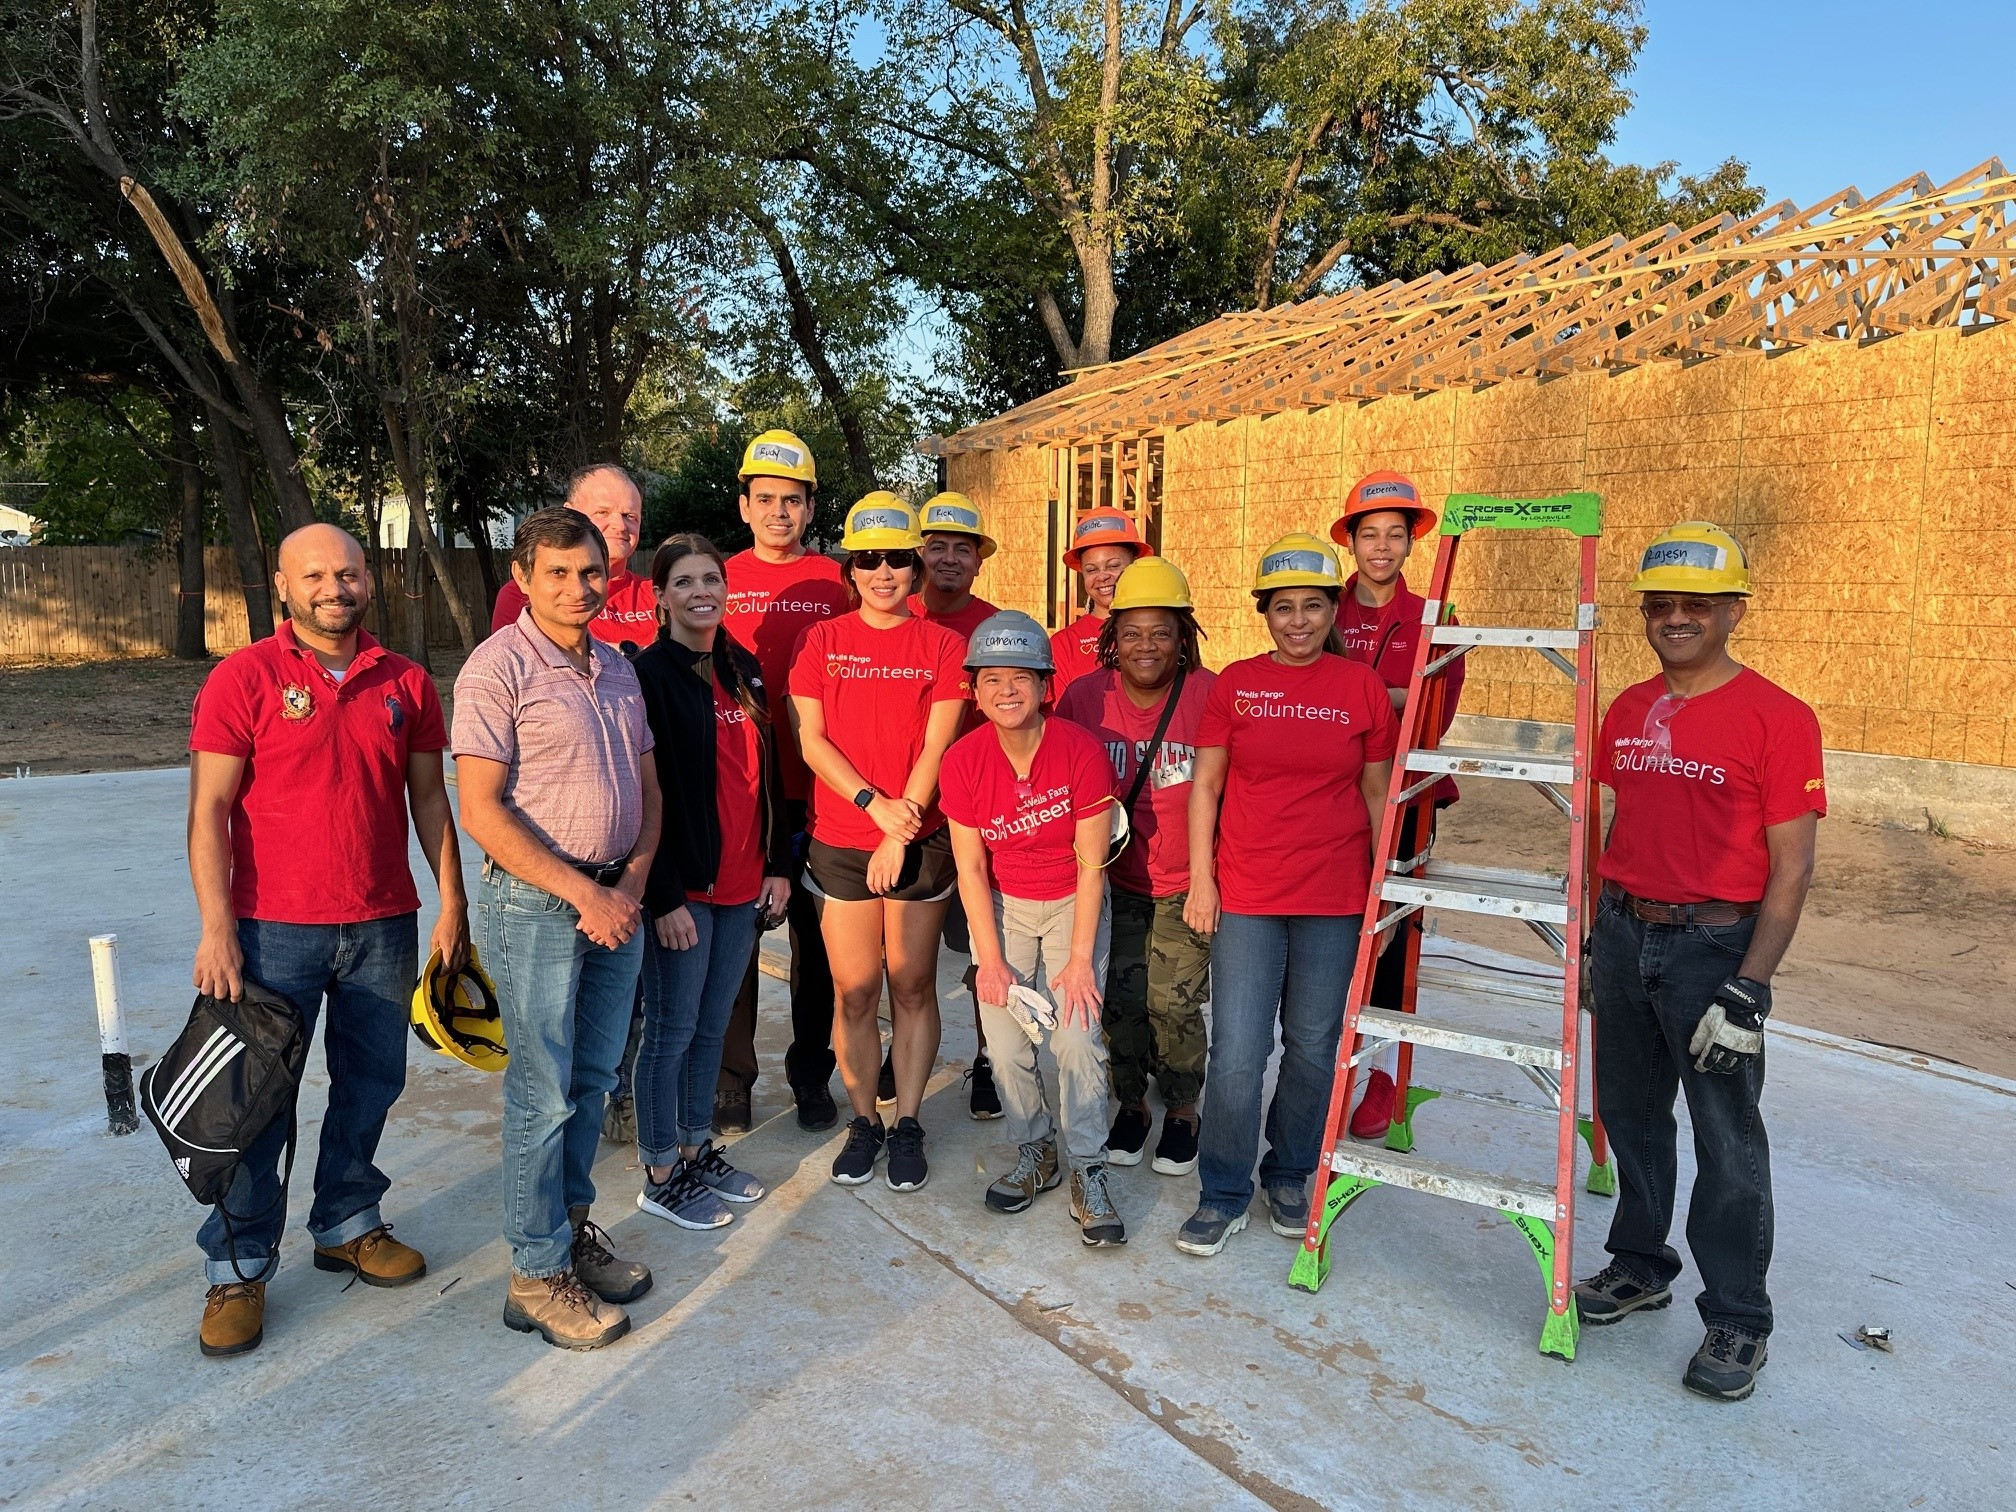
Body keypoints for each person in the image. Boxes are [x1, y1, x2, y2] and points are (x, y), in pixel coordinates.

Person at [186, 523, 466, 1358]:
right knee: (255, 1104)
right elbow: (207, 811)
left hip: (383, 922)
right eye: (315, 575)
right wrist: (216, 928)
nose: (333, 588)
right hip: (271, 931)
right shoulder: (246, 678)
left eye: (347, 573)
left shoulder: (406, 681)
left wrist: (452, 903)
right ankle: (236, 1265)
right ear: (283, 585)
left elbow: (429, 803)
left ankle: (347, 1219)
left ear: (368, 580)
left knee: (371, 1083)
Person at [1573, 522, 1823, 1404]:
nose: (1676, 619)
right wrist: (1602, 932)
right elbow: (1620, 822)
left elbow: (1792, 866)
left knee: (1726, 1137)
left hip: (1714, 944)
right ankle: (1641, 1265)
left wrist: (1750, 987)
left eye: (1697, 606)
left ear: (1732, 612)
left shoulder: (1779, 718)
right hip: (1629, 931)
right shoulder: (1629, 709)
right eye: (1663, 605)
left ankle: (1739, 1319)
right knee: (1633, 1117)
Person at [454, 506, 662, 1351]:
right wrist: (586, 892)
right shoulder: (496, 669)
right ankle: (535, 1272)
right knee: (541, 1090)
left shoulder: (615, 666)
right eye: (559, 574)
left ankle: (570, 1232)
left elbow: (648, 789)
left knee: (592, 1079)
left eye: (591, 572)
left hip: (619, 902)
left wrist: (632, 882)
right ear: (522, 579)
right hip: (539, 905)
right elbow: (481, 812)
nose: (580, 588)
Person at [1176, 535, 1397, 1257]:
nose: (1297, 621)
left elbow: (1375, 794)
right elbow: (1205, 786)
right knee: (1239, 1050)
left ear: (1332, 609)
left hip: (1334, 896)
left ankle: (1291, 1172)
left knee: (1312, 1046)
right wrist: (1202, 881)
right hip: (1247, 891)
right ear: (1264, 614)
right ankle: (1223, 1190)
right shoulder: (1236, 684)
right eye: (1282, 609)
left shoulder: (1359, 686)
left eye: (1311, 606)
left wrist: (1381, 895)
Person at [790, 496, 968, 1191]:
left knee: (914, 985)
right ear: (851, 569)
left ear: (916, 567)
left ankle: (909, 1122)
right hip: (842, 836)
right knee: (856, 992)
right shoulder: (824, 642)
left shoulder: (942, 645)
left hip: (920, 836)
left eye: (899, 558)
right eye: (870, 559)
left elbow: (938, 740)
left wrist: (904, 821)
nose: (885, 571)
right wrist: (873, 809)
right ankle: (864, 1120)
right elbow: (811, 740)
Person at [942, 612, 1127, 1245]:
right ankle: (1035, 1150)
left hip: (1074, 903)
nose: (1006, 692)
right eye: (991, 680)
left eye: (1020, 678)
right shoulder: (964, 761)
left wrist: (1079, 960)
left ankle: (1088, 1166)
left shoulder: (1079, 750)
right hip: (1004, 908)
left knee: (1076, 1036)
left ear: (1046, 685)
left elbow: (1092, 862)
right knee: (1005, 1036)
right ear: (974, 689)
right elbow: (970, 868)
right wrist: (988, 961)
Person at [631, 534, 793, 1229]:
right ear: (661, 596)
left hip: (741, 886)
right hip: (685, 891)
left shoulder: (742, 667)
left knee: (710, 1028)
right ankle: (660, 1168)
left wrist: (780, 863)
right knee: (669, 1030)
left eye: (712, 580)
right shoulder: (649, 676)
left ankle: (698, 1148)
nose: (703, 593)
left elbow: (771, 776)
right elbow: (642, 795)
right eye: (686, 582)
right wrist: (662, 894)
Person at [1057, 557, 1215, 1177]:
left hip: (1183, 882)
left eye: (1160, 632)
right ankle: (1132, 1104)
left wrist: (1211, 879)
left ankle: (1181, 1107)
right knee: (1119, 1000)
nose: (1145, 646)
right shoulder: (1084, 697)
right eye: (1131, 633)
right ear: (1111, 637)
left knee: (1173, 1002)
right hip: (1111, 882)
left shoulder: (1210, 695)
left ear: (1184, 637)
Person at [715, 431, 848, 1134]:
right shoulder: (719, 575)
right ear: (743, 504)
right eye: (764, 499)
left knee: (815, 947)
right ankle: (733, 1078)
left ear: (809, 507)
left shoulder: (836, 581)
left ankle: (810, 1073)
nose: (777, 512)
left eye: (791, 501)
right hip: (736, 792)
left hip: (817, 789)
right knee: (735, 940)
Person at [1327, 471, 1463, 1140]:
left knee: (1393, 937)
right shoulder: (1325, 608)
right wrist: (1392, 695)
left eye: (1395, 535)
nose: (1382, 546)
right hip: (1324, 795)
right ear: (1350, 541)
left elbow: (1433, 715)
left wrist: (1356, 696)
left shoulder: (1436, 619)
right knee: (1331, 926)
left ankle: (1383, 1077)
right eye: (1369, 533)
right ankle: (1330, 1060)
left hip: (1406, 796)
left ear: (1412, 542)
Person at [906, 490, 1006, 1120]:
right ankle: (903, 1051)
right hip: (909, 809)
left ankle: (989, 1059)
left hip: (980, 810)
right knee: (904, 954)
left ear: (978, 561)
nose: (947, 558)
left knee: (983, 946)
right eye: (936, 546)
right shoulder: (895, 613)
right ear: (919, 555)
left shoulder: (996, 628)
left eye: (960, 549)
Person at [489, 463, 655, 648]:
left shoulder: (659, 594)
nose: (620, 525)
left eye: (630, 516)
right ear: (570, 513)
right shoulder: (527, 593)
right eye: (602, 512)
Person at [1049, 508, 1150, 697]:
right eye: (1091, 570)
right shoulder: (1064, 645)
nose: (1103, 576)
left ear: (1135, 563)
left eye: (1113, 566)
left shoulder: (1164, 634)